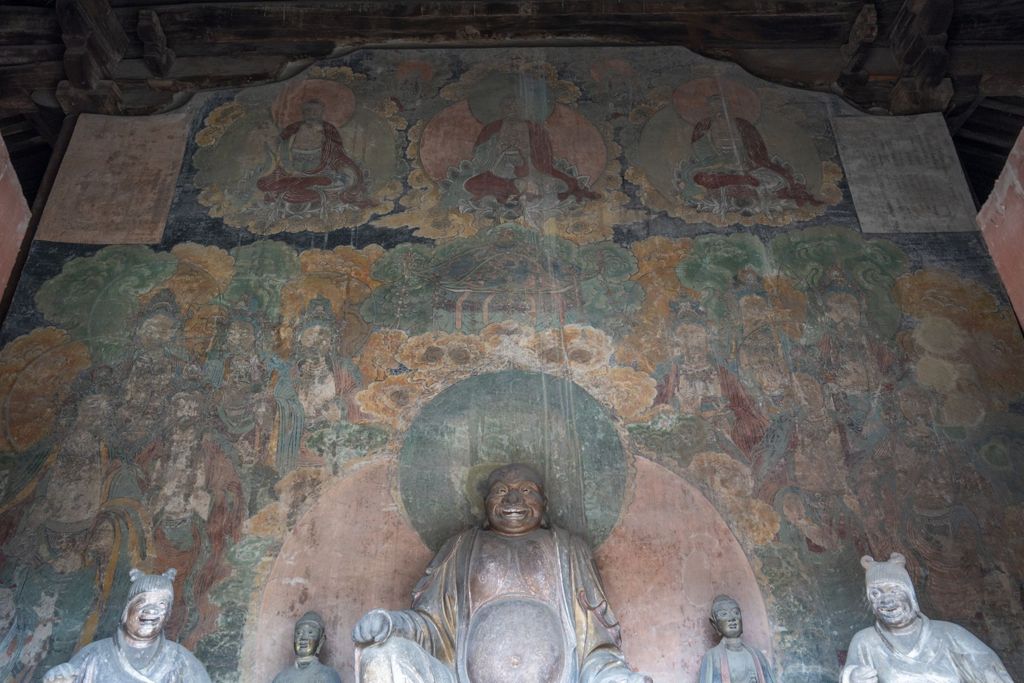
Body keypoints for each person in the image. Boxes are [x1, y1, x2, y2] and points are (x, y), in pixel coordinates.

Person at [352, 463, 650, 683]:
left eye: (526, 491)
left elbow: (595, 645)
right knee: (382, 657)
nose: (513, 501)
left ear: (544, 504)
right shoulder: (460, 548)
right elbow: (432, 626)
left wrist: (616, 677)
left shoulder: (569, 551)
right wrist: (391, 622)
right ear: (486, 504)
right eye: (502, 492)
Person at [841, 552, 1013, 683]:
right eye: (876, 594)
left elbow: (990, 670)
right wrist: (853, 676)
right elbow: (850, 672)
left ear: (910, 595)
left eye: (894, 590)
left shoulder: (949, 634)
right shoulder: (866, 641)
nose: (886, 600)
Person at [42, 567, 212, 682]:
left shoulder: (180, 660)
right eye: (142, 601)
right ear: (127, 609)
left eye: (161, 604)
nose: (152, 610)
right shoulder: (93, 655)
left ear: (167, 614)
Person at [697, 595, 775, 683]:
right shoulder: (712, 657)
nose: (731, 618)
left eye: (736, 613)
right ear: (715, 624)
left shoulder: (757, 655)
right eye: (724, 614)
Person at [273, 611, 343, 683]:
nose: (303, 638)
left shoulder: (327, 675)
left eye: (310, 633)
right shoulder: (281, 678)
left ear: (321, 641)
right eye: (298, 633)